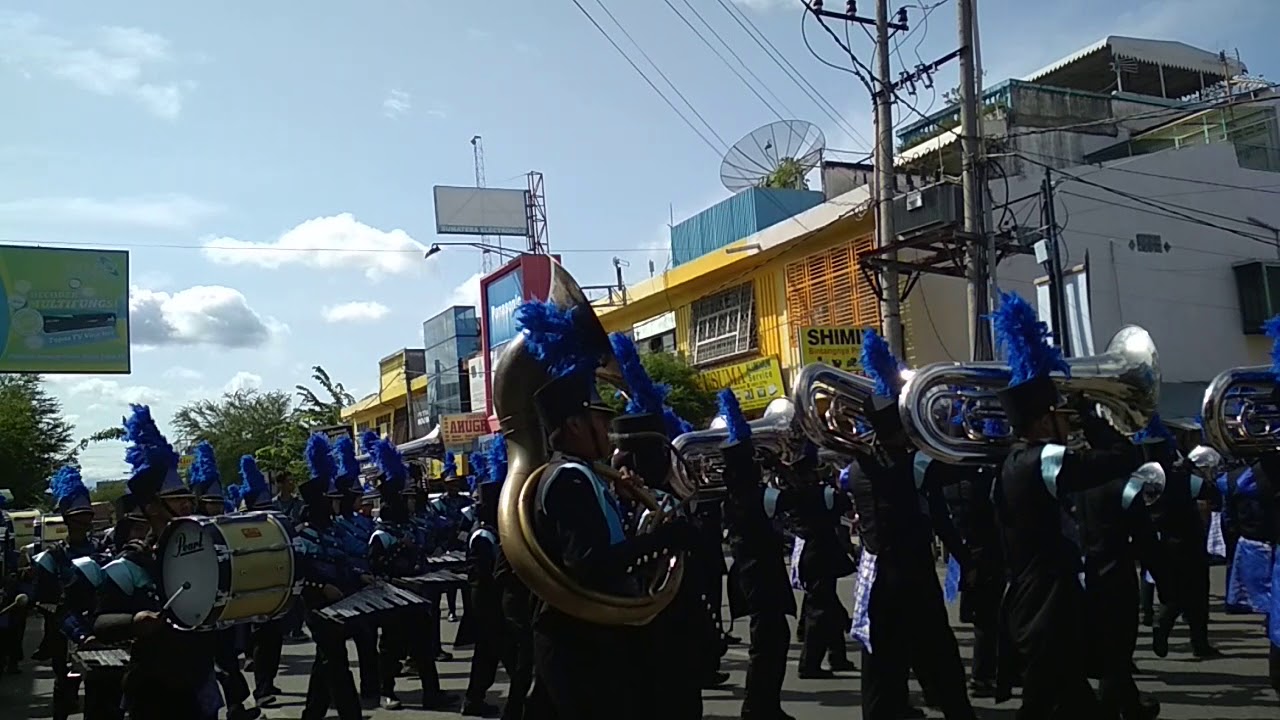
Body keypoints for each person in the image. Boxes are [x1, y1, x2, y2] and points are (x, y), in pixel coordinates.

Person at [515, 298, 697, 720]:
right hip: (582, 645)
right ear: (576, 425)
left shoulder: (582, 476)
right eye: (600, 419)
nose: (609, 429)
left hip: (585, 639)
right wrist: (659, 540)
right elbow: (589, 563)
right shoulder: (569, 479)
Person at [989, 292, 1147, 718]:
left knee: (1070, 703)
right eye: (1058, 413)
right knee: (1046, 705)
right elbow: (1123, 458)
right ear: (1043, 421)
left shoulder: (1014, 461)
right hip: (1047, 607)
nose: (1065, 420)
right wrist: (1091, 416)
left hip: (1038, 600)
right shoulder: (1042, 459)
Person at [846, 331, 975, 720]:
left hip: (874, 575)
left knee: (881, 658)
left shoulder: (855, 469)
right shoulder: (917, 464)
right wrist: (966, 558)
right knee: (938, 648)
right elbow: (940, 515)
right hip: (913, 571)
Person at [92, 404, 217, 720]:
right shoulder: (129, 565)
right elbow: (101, 623)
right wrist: (133, 622)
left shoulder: (207, 554)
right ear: (152, 507)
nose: (187, 504)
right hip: (151, 691)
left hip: (200, 684)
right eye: (177, 500)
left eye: (187, 498)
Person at [1073, 417, 1166, 720]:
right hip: (1117, 571)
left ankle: (1132, 704)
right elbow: (1144, 537)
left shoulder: (1082, 484)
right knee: (1118, 648)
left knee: (1107, 643)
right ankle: (1111, 709)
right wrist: (1163, 579)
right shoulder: (1126, 486)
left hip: (1090, 568)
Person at [369, 437, 457, 712]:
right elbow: (377, 571)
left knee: (423, 646)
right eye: (404, 500)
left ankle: (433, 693)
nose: (410, 504)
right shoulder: (380, 536)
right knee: (391, 648)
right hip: (393, 597)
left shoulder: (411, 527)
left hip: (417, 592)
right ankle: (387, 692)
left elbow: (425, 550)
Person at [296, 433, 365, 720]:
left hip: (340, 602)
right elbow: (299, 576)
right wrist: (321, 586)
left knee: (326, 659)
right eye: (330, 499)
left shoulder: (335, 530)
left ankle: (312, 713)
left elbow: (344, 564)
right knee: (337, 661)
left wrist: (360, 578)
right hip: (316, 606)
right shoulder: (301, 536)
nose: (336, 504)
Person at [189, 443, 260, 720]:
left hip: (225, 605)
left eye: (219, 503)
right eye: (211, 503)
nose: (217, 507)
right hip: (199, 609)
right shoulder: (190, 531)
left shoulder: (226, 528)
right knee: (203, 668)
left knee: (228, 659)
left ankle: (236, 707)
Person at [34, 465, 103, 720]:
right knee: (66, 683)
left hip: (97, 624)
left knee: (100, 687)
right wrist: (71, 626)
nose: (84, 523)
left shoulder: (101, 551)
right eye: (78, 518)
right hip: (64, 630)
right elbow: (44, 600)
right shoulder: (52, 557)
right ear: (67, 520)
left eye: (88, 516)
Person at [330, 434, 381, 704]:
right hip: (346, 586)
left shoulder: (365, 522)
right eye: (357, 495)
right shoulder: (336, 525)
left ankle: (371, 689)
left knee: (368, 640)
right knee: (335, 649)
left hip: (367, 583)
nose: (361, 499)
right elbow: (340, 556)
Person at [462, 440, 508, 717]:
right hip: (487, 604)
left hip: (494, 603)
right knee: (508, 657)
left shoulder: (493, 531)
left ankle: (474, 699)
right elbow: (486, 575)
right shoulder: (482, 536)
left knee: (488, 656)